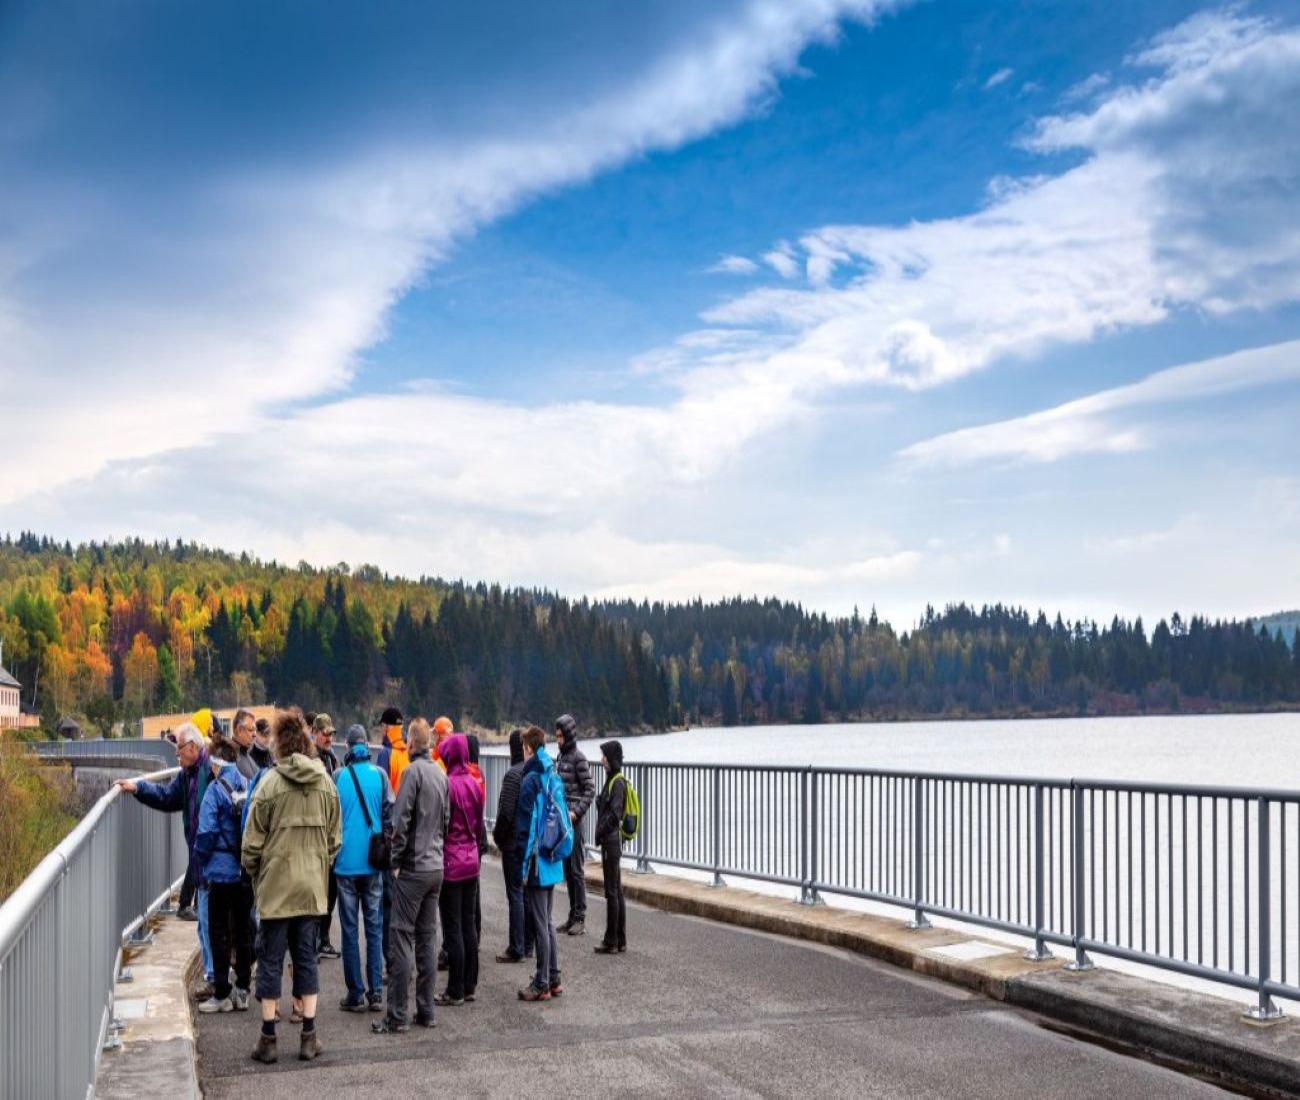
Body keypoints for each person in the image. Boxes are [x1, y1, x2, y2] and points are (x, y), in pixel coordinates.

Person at [241, 710, 342, 1065]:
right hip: (312, 888)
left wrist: (256, 873)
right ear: (307, 741)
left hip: (276, 889)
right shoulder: (325, 783)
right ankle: (308, 1037)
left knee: (270, 959)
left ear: (278, 745)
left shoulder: (268, 783)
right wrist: (318, 866)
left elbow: (251, 844)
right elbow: (335, 840)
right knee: (306, 959)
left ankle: (268, 1040)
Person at [115, 722, 216, 994]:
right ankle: (216, 979)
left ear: (193, 748)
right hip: (203, 862)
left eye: (179, 748)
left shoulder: (213, 772)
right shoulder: (188, 775)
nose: (176, 755)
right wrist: (138, 788)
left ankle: (218, 982)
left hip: (216, 861)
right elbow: (167, 797)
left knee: (210, 924)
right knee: (206, 924)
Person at [373, 719, 449, 1035]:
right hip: (436, 865)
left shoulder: (412, 773)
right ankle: (426, 1010)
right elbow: (446, 819)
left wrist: (395, 861)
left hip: (414, 867)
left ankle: (398, 1015)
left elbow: (400, 821)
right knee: (428, 937)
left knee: (401, 936)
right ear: (429, 743)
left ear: (410, 742)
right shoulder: (440, 775)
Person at [334, 723, 392, 1013]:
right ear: (366, 747)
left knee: (349, 929)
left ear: (348, 749)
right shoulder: (380, 776)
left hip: (345, 864)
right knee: (374, 926)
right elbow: (388, 814)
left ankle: (355, 993)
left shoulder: (338, 776)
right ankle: (377, 993)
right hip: (373, 863)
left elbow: (332, 819)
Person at [194, 738, 253, 1012]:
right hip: (243, 871)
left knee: (218, 932)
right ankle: (243, 989)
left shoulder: (214, 791)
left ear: (216, 763)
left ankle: (221, 993)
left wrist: (200, 862)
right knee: (243, 931)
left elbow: (205, 833)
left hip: (219, 873)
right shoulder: (247, 784)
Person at [514, 725, 567, 1002]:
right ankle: (554, 976)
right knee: (548, 920)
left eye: (524, 748)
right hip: (552, 856)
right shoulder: (551, 773)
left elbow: (525, 829)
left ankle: (542, 983)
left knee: (539, 922)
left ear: (529, 749)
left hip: (535, 861)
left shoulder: (530, 780)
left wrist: (522, 868)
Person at [436, 734, 484, 1007]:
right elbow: (478, 827)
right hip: (471, 859)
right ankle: (469, 984)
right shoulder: (474, 783)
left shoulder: (447, 785)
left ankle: (454, 988)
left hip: (451, 862)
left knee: (452, 925)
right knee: (468, 923)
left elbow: (442, 825)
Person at [553, 713, 594, 935]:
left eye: (561, 736)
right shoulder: (560, 759)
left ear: (568, 736)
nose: (558, 740)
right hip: (562, 821)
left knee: (577, 869)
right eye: (556, 736)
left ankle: (581, 917)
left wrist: (576, 813)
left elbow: (590, 790)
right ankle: (572, 915)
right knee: (567, 869)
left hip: (574, 823)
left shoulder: (579, 758)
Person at [493, 728, 531, 963]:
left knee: (515, 894)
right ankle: (528, 944)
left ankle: (515, 947)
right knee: (526, 893)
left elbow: (506, 813)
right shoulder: (532, 772)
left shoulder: (512, 775)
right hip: (528, 841)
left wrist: (498, 837)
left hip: (513, 842)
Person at [593, 739, 628, 954]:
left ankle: (611, 940)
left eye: (604, 756)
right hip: (613, 840)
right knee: (617, 890)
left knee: (612, 892)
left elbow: (614, 814)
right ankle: (620, 939)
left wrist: (600, 831)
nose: (601, 760)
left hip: (611, 841)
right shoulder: (613, 780)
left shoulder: (617, 783)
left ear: (611, 758)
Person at [311, 713, 342, 960]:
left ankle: (323, 938)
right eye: (325, 733)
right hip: (314, 833)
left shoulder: (333, 759)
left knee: (331, 890)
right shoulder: (310, 759)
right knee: (314, 889)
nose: (329, 738)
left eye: (331, 734)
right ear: (315, 733)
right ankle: (311, 941)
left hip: (329, 833)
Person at [376, 707, 409, 792]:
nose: (381, 730)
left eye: (382, 726)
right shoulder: (410, 751)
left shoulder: (385, 754)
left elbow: (380, 789)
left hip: (391, 805)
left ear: (387, 727)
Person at [230, 709, 260, 780]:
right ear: (239, 730)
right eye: (251, 730)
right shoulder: (229, 758)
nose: (254, 734)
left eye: (255, 730)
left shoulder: (248, 755)